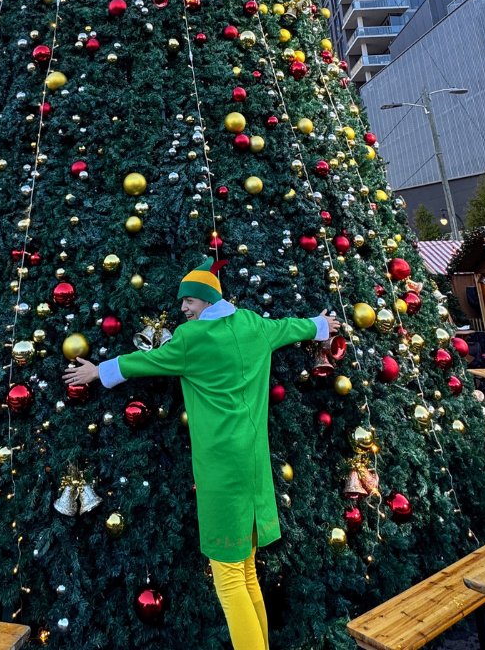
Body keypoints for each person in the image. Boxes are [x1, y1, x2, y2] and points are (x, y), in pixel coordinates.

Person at [63, 258, 339, 650]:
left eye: (187, 302)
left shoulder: (191, 340)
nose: (182, 310)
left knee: (228, 579)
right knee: (245, 573)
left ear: (206, 300)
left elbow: (147, 361)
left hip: (222, 470)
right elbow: (292, 327)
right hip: (255, 464)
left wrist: (97, 372)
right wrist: (322, 324)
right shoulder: (253, 325)